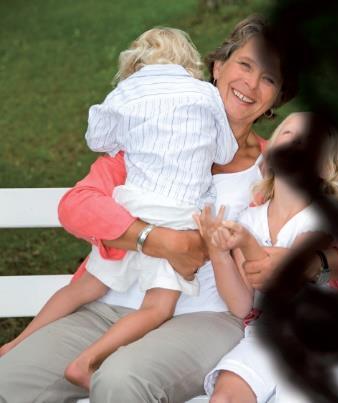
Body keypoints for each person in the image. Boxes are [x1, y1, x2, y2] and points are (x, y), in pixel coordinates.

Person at [0, 15, 338, 403]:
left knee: (120, 380)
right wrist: (161, 241)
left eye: (269, 79)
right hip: (109, 309)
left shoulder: (275, 164)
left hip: (205, 319)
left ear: (276, 98)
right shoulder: (147, 140)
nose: (251, 84)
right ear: (218, 67)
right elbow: (77, 206)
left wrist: (315, 261)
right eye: (245, 65)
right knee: (7, 382)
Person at [0, 26, 239, 391]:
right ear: (204, 65)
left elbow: (97, 137)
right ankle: (86, 361)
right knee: (158, 307)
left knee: (84, 287)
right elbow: (224, 152)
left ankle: (18, 341)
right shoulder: (204, 95)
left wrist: (133, 135)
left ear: (137, 59)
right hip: (178, 215)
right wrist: (160, 239)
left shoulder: (127, 92)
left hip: (134, 203)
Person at [199, 112, 338, 403]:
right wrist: (218, 253)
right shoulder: (250, 218)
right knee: (224, 398)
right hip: (266, 337)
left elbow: (282, 277)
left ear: (326, 167)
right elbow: (243, 304)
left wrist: (244, 240)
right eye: (287, 135)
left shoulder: (325, 216)